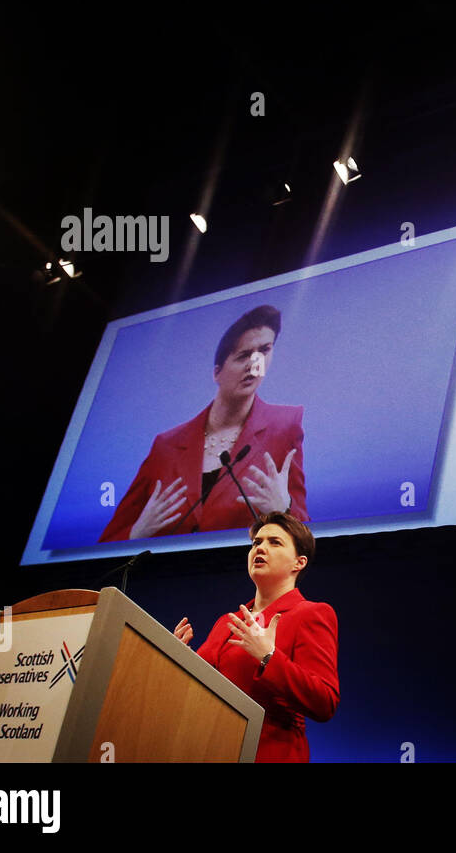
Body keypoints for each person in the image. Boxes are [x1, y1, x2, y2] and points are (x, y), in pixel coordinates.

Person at [100, 304, 307, 541]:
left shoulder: (285, 425)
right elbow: (106, 542)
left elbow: (307, 538)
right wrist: (137, 533)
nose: (255, 365)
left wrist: (284, 511)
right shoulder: (166, 445)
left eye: (264, 350)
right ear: (216, 372)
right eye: (243, 356)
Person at [174, 512, 339, 762]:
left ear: (299, 562)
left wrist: (269, 657)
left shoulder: (311, 614)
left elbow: (324, 701)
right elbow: (197, 696)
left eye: (275, 542)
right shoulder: (226, 622)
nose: (260, 548)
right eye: (256, 543)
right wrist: (176, 662)